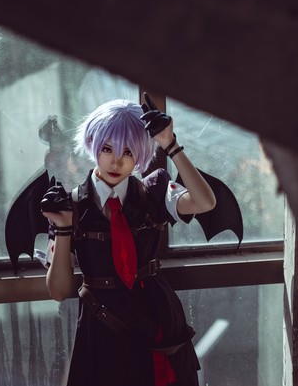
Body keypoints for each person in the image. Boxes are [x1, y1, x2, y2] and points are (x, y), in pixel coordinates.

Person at [40, 96, 216, 386]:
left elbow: (205, 202)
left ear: (140, 154)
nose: (116, 161)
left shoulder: (155, 190)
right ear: (93, 144)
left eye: (128, 151)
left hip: (156, 317)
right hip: (102, 325)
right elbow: (58, 291)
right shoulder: (70, 205)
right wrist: (62, 228)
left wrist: (170, 145)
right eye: (107, 149)